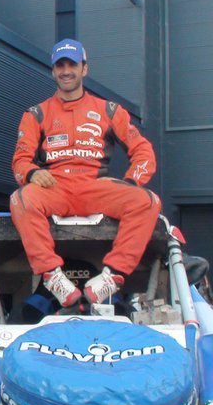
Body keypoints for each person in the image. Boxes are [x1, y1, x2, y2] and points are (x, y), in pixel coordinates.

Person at [10, 38, 161, 307]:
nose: (66, 71)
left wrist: (132, 181)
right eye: (60, 65)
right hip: (55, 188)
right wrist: (32, 174)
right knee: (21, 199)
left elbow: (143, 151)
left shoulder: (109, 110)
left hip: (96, 186)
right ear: (53, 71)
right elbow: (20, 161)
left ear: (84, 68)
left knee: (147, 201)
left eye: (72, 64)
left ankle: (112, 276)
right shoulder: (35, 114)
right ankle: (52, 276)